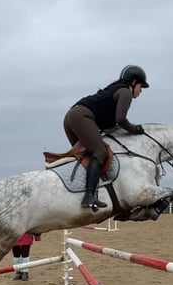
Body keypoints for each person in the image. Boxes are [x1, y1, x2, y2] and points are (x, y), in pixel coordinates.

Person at [63, 65, 149, 210]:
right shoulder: (125, 92)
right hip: (81, 116)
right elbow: (121, 119)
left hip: (71, 117)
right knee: (100, 152)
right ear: (133, 82)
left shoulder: (114, 90)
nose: (141, 91)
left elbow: (111, 124)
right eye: (141, 86)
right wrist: (135, 129)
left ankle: (84, 193)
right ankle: (89, 196)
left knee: (88, 156)